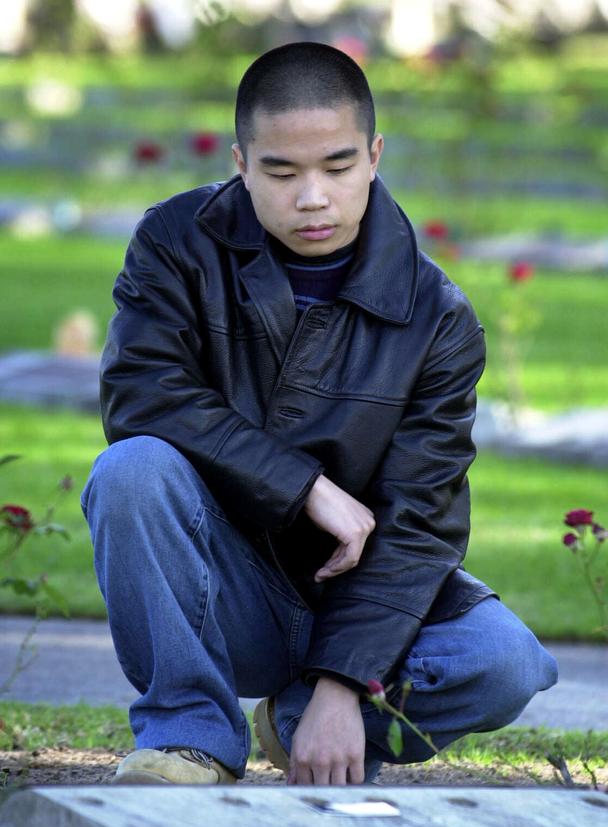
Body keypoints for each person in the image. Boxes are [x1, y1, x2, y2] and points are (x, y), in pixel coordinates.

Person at [81, 41, 558, 787]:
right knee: (131, 470)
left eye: (337, 167)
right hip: (218, 588)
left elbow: (419, 525)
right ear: (241, 162)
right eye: (281, 171)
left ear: (373, 155)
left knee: (507, 660)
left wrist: (344, 681)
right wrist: (304, 485)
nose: (313, 197)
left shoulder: (437, 318)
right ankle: (189, 737)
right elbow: (143, 392)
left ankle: (301, 718)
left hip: (360, 600)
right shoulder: (177, 243)